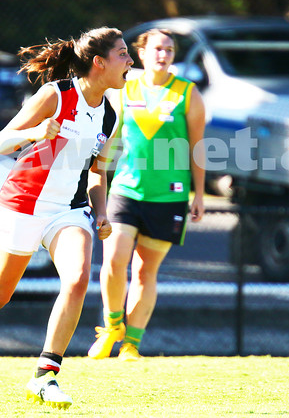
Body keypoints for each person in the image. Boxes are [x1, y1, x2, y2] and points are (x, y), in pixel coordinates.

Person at [0, 27, 132, 409]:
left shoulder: (110, 115)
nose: (130, 61)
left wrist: (100, 212)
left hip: (69, 209)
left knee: (78, 279)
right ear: (99, 63)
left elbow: (99, 171)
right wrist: (35, 131)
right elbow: (1, 141)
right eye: (123, 54)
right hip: (23, 204)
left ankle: (45, 376)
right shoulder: (56, 95)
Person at [88, 28, 206, 361]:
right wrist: (98, 176)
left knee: (144, 271)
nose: (163, 54)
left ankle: (131, 344)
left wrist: (199, 193)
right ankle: (112, 326)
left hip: (169, 197)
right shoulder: (126, 91)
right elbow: (109, 140)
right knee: (113, 260)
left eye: (169, 49)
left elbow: (198, 147)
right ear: (141, 53)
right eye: (157, 48)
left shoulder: (187, 93)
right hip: (126, 189)